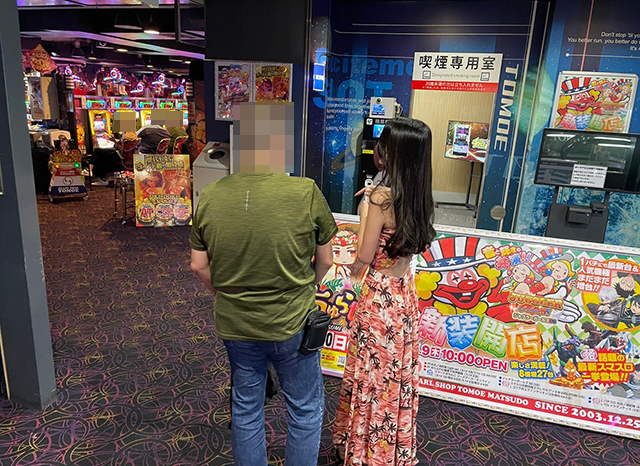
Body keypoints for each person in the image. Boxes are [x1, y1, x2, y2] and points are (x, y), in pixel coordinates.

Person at [189, 101, 337, 466]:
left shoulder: (210, 194)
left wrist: (226, 292)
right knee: (304, 409)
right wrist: (308, 287)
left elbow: (198, 265)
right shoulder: (305, 192)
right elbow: (326, 260)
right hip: (291, 321)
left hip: (236, 324)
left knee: (245, 407)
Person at [333, 117, 436, 466]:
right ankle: (390, 451)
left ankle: (364, 451)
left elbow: (364, 255)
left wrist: (366, 208)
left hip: (378, 296)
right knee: (395, 377)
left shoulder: (380, 198)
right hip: (403, 295)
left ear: (391, 153)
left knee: (371, 374)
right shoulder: (420, 196)